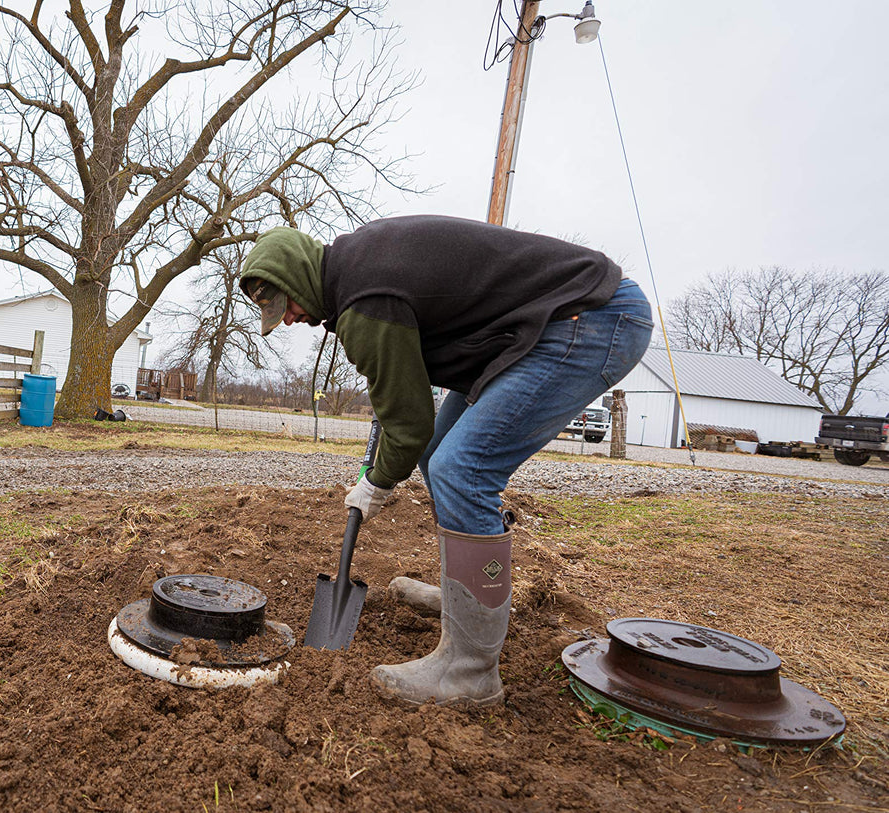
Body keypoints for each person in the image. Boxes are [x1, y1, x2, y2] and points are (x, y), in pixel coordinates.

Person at [240, 215, 653, 707]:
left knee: (463, 470)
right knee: (441, 454)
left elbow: (408, 424)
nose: (287, 320)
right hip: (542, 325)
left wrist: (376, 483)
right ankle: (465, 602)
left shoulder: (365, 300)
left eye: (284, 306)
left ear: (298, 277)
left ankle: (469, 671)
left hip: (587, 319)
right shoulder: (358, 271)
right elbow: (407, 404)